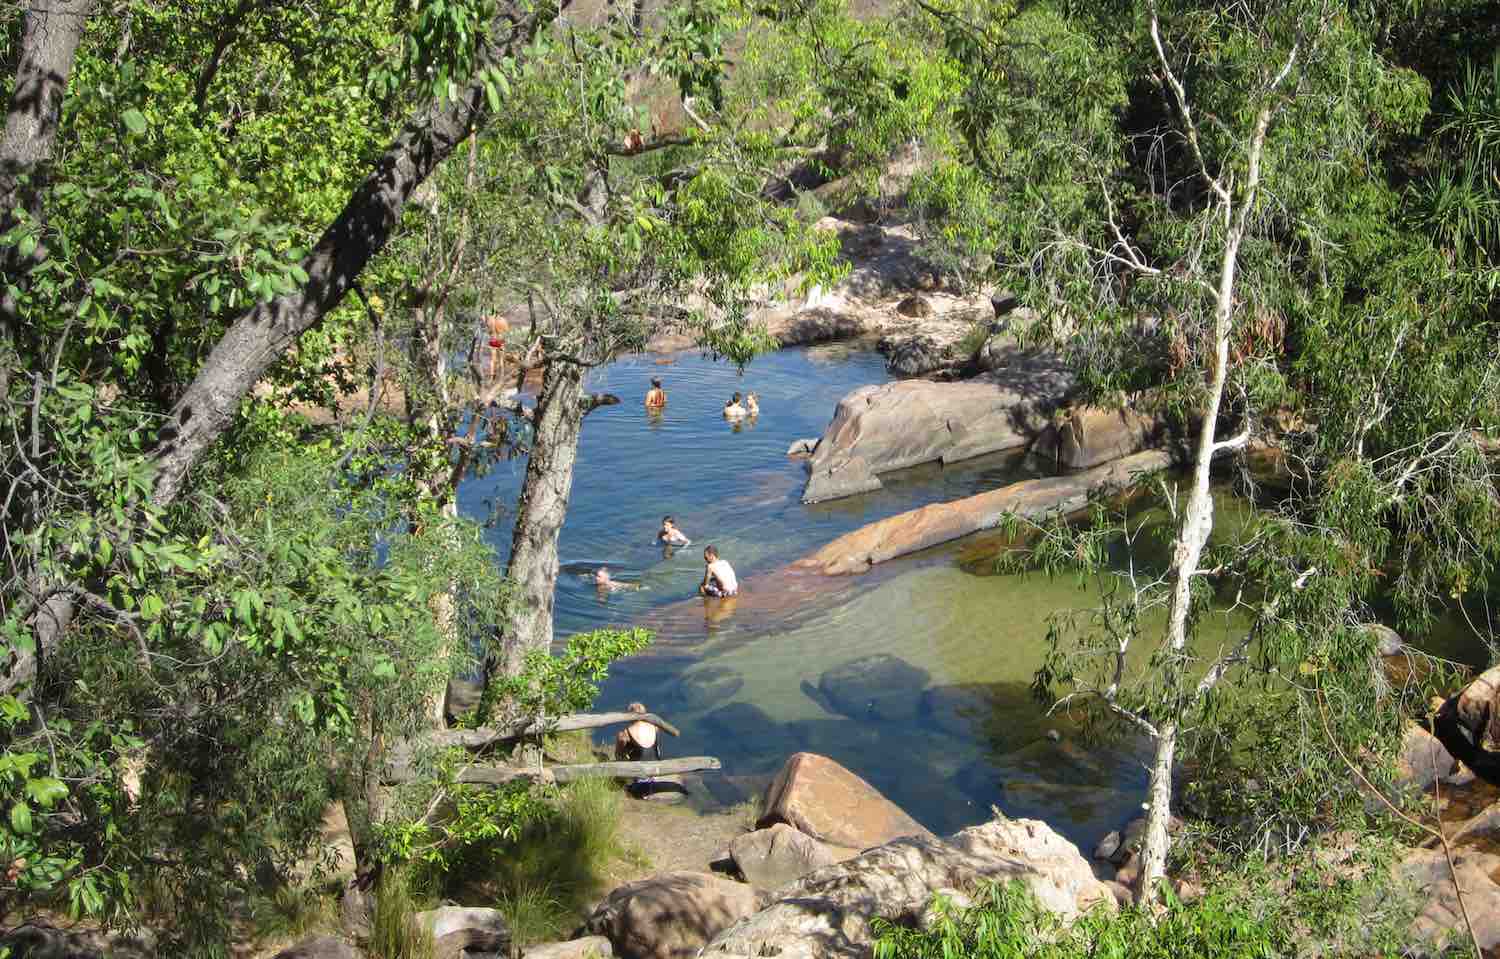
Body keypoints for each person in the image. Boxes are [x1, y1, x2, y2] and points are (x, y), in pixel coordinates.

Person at [484, 313, 510, 380]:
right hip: (500, 341)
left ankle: (492, 376)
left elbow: (488, 331)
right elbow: (506, 331)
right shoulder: (503, 320)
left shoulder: (490, 320)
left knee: (492, 360)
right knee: (501, 359)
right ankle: (502, 375)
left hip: (492, 340)